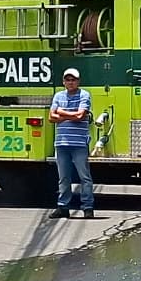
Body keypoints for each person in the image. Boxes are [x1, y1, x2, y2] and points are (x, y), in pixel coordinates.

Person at [49, 68, 94, 219]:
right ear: (63, 82)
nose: (70, 82)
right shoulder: (58, 95)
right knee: (64, 178)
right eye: (67, 80)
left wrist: (62, 113)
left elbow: (81, 115)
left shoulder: (84, 95)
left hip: (79, 143)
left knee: (84, 177)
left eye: (73, 80)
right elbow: (51, 117)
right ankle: (63, 207)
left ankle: (88, 207)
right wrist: (71, 115)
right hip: (61, 143)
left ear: (78, 81)